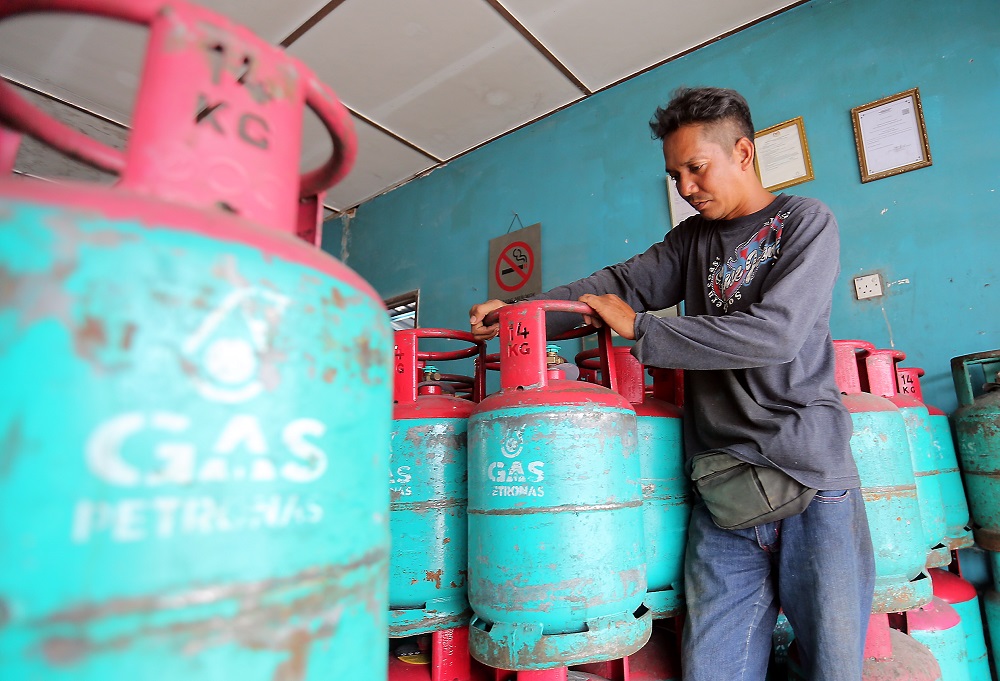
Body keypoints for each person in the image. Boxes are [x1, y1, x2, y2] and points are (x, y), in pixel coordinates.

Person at [469, 87, 875, 680]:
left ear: (743, 151)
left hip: (810, 479)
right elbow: (613, 285)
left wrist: (644, 331)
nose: (686, 187)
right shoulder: (692, 241)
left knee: (833, 668)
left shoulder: (804, 222)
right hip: (724, 487)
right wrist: (519, 310)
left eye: (696, 168)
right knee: (714, 670)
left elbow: (778, 333)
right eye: (675, 173)